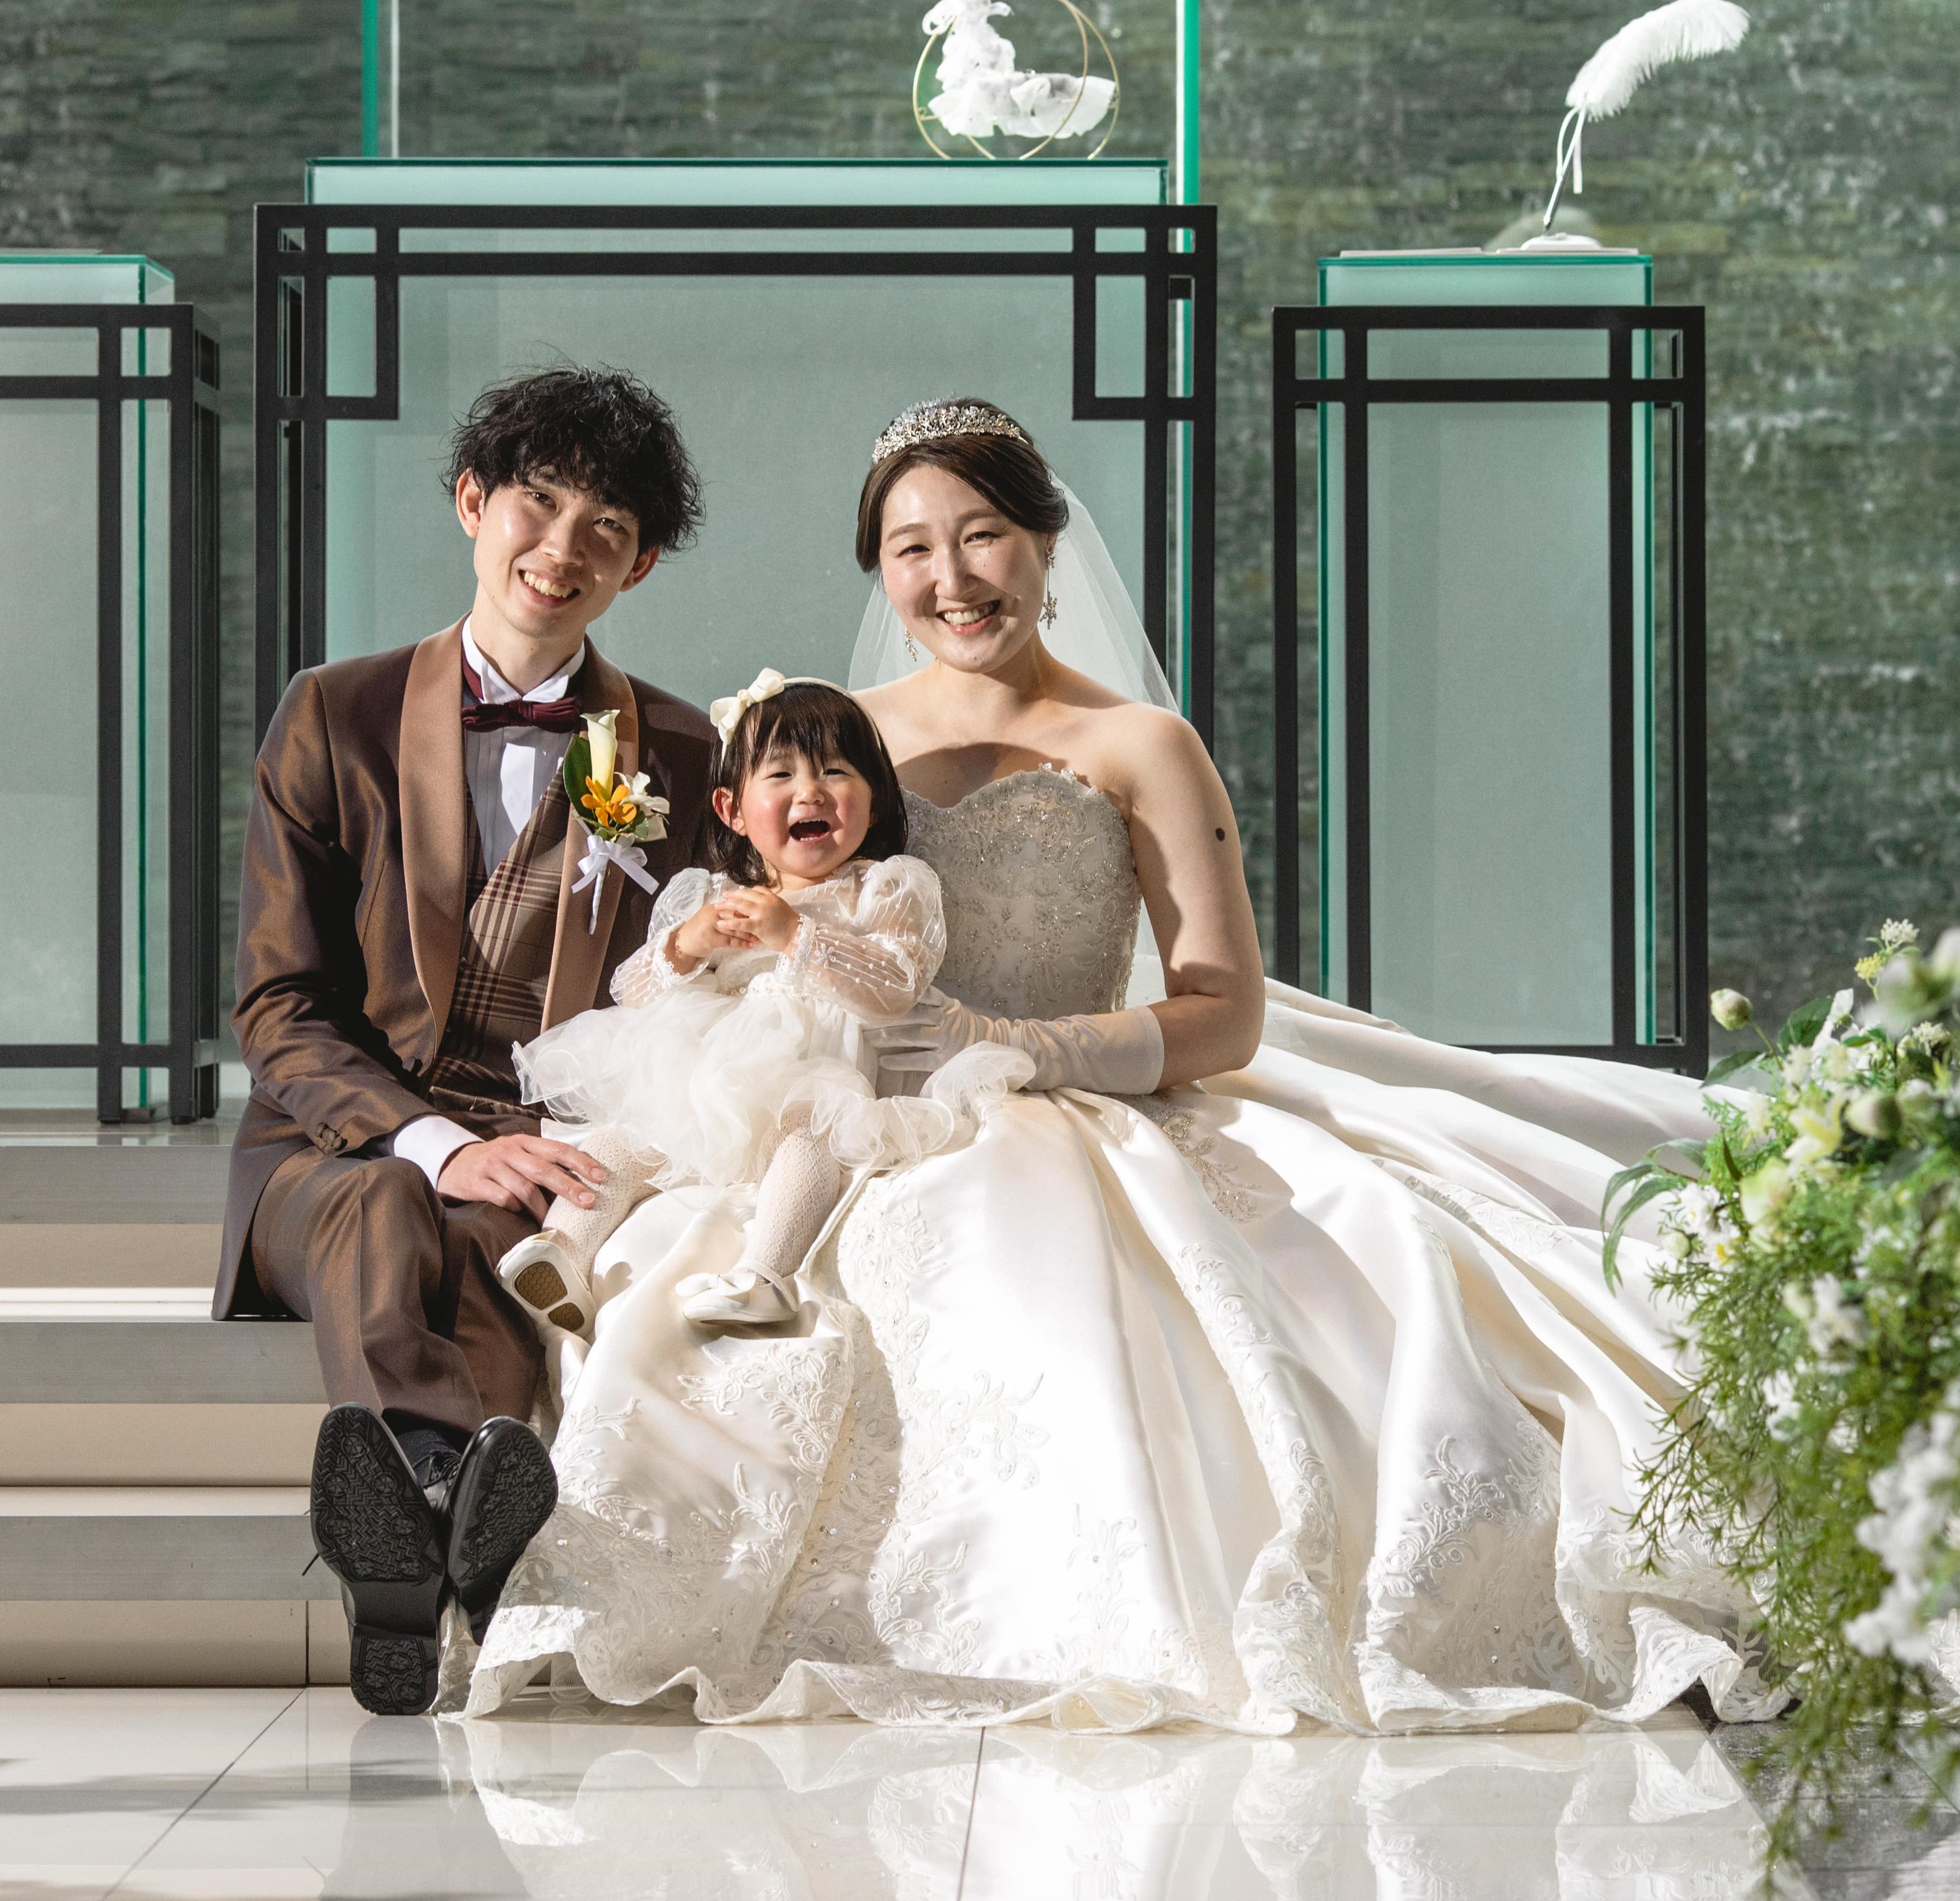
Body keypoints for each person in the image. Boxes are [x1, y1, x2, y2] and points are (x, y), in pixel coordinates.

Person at [463, 398, 1776, 1736]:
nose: (951, 577)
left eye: (982, 535)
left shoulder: (1143, 744)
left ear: (1046, 542)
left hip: (1070, 1090)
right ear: (878, 572)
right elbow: (743, 919)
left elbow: (1223, 1010)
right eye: (911, 549)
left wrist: (1017, 1048)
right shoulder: (832, 740)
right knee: (676, 1261)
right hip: (846, 1090)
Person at [216, 367, 717, 1715]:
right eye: (535, 503)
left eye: (606, 526)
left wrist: (561, 1146)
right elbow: (280, 1007)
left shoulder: (676, 749)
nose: (561, 547)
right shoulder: (336, 714)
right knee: (393, 1206)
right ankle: (455, 1496)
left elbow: (692, 986)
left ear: (638, 564)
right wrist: (438, 1142)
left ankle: (408, 1542)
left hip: (556, 1136)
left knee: (506, 1238)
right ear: (470, 503)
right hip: (337, 1143)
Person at [496, 674, 996, 1342]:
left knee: (810, 1133)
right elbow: (630, 994)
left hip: (825, 1077)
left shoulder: (882, 887)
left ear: (876, 801)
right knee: (620, 1144)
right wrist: (688, 944)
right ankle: (561, 1254)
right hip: (713, 1084)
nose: (810, 792)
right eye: (781, 775)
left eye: (835, 772)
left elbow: (895, 985)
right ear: (731, 809)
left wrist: (796, 935)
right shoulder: (713, 893)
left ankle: (765, 1275)